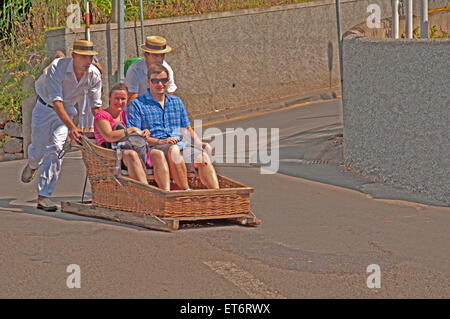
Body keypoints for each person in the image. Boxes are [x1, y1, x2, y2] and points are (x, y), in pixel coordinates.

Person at [20, 40, 102, 211]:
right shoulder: (58, 67)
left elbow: (96, 107)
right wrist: (73, 127)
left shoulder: (94, 75)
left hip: (67, 110)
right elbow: (56, 102)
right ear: (73, 56)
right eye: (83, 57)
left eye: (90, 57)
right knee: (38, 148)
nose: (87, 61)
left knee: (56, 148)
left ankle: (44, 196)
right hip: (45, 107)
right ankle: (33, 164)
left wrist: (106, 126)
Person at [126, 63, 219, 190]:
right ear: (148, 82)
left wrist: (200, 145)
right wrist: (160, 141)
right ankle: (186, 192)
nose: (160, 84)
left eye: (163, 80)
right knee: (174, 150)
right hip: (154, 148)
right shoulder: (137, 104)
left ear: (168, 81)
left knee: (203, 157)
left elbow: (187, 128)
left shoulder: (176, 102)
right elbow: (136, 137)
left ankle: (216, 194)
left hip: (179, 146)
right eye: (155, 81)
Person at [94, 83, 170, 191]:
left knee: (157, 154)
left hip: (134, 147)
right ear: (109, 97)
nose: (120, 102)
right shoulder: (102, 115)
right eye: (116, 98)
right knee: (131, 155)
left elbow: (137, 134)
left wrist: (145, 134)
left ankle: (165, 193)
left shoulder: (127, 114)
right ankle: (147, 192)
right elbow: (109, 136)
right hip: (111, 154)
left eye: (123, 99)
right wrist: (131, 130)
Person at [125, 35, 177, 105]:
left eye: (162, 55)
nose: (159, 59)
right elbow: (132, 99)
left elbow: (170, 93)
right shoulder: (134, 70)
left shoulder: (167, 68)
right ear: (146, 55)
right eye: (155, 55)